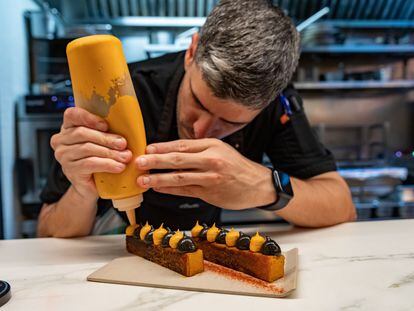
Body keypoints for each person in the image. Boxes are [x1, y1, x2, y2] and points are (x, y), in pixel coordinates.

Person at [37, 0, 355, 238]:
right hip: (115, 244)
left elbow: (342, 205)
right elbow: (46, 232)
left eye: (231, 123)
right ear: (192, 52)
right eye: (199, 103)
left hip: (206, 247)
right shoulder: (120, 92)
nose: (204, 130)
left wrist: (265, 186)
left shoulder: (277, 101)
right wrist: (83, 190)